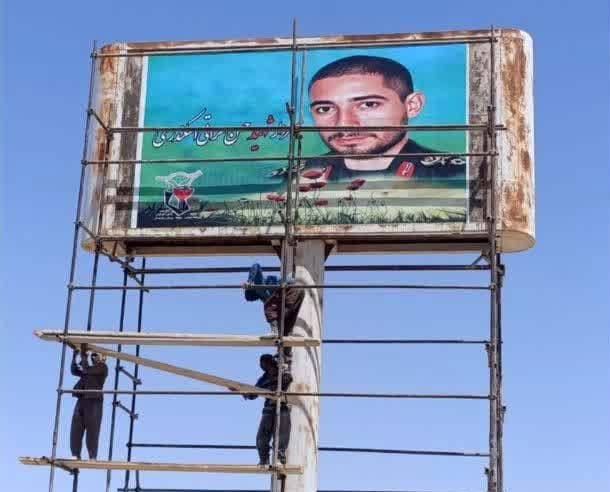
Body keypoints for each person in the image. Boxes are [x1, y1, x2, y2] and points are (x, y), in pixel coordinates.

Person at [300, 55, 466, 182]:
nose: (343, 123)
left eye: (369, 104)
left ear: (412, 105)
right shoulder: (296, 176)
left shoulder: (457, 173)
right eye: (325, 109)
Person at [243, 354, 292, 465]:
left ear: (270, 363)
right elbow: (253, 394)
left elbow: (288, 380)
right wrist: (242, 391)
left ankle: (280, 455)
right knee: (262, 437)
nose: (262, 366)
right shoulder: (264, 379)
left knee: (282, 434)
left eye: (264, 363)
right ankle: (264, 459)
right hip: (269, 409)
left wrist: (284, 369)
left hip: (282, 408)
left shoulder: (282, 374)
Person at [243, 263, 305, 339]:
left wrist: (249, 281)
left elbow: (256, 265)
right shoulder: (263, 295)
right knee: (284, 320)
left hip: (291, 288)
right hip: (298, 291)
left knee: (269, 307)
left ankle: (275, 332)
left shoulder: (259, 284)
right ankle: (286, 339)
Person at [69, 346, 108, 460]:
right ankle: (75, 454)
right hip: (82, 399)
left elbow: (86, 370)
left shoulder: (102, 367)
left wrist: (83, 355)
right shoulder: (89, 369)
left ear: (103, 358)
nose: (93, 357)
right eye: (92, 355)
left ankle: (92, 456)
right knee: (76, 428)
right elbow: (74, 370)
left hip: (94, 401)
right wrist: (75, 356)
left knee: (92, 429)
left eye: (95, 355)